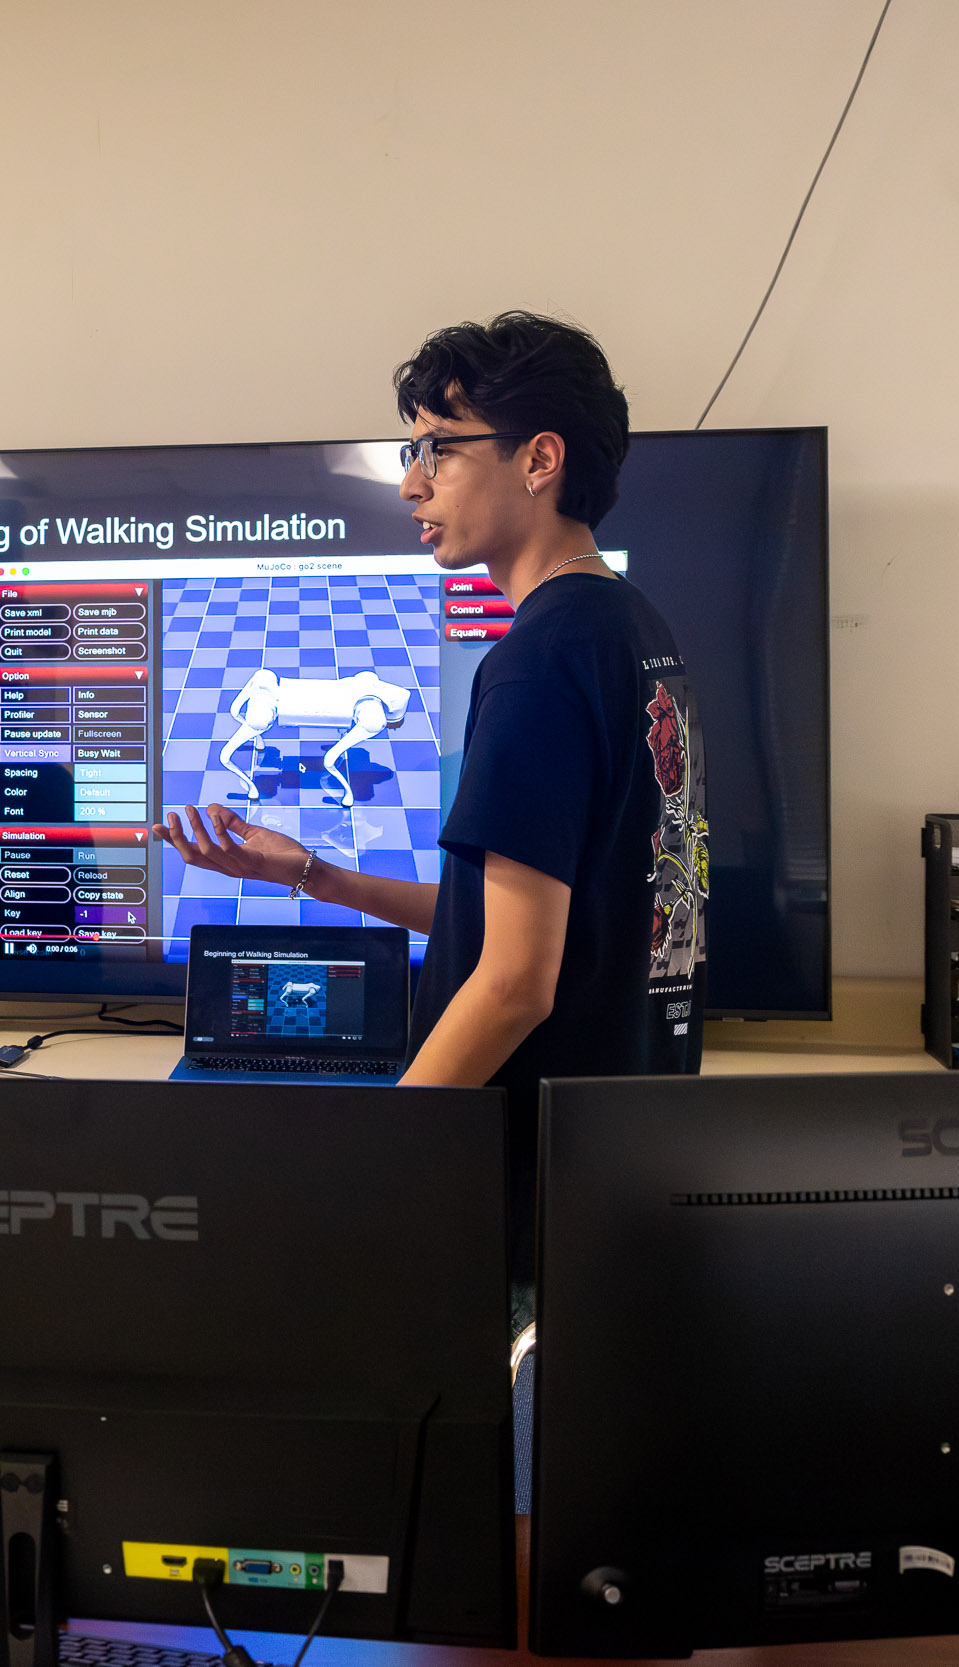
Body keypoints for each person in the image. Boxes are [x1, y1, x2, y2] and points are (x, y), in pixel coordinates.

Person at [160, 312, 705, 1212]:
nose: (412, 484)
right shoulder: (633, 625)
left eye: (438, 450)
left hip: (526, 1184)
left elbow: (515, 983)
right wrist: (310, 873)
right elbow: (525, 923)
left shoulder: (537, 659)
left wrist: (383, 1160)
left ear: (540, 459)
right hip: (618, 1171)